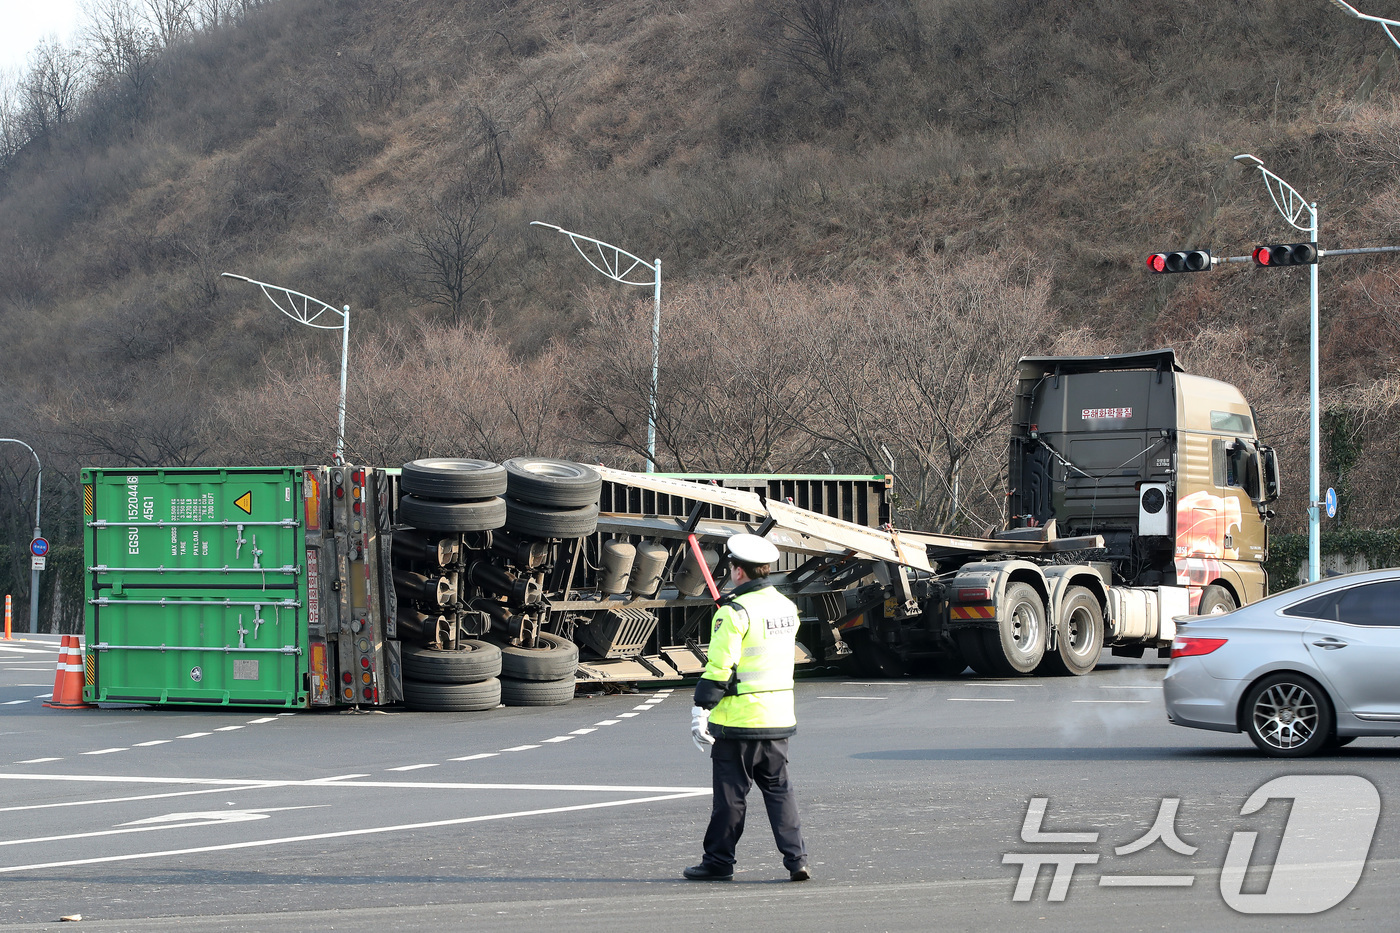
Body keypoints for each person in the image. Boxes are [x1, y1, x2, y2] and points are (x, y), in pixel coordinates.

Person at [684, 533, 810, 882]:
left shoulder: (733, 612)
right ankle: (797, 859)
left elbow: (720, 668)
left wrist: (700, 710)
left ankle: (718, 862)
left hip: (738, 721)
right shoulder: (786, 608)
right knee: (780, 791)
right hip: (778, 717)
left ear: (738, 571)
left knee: (731, 798)